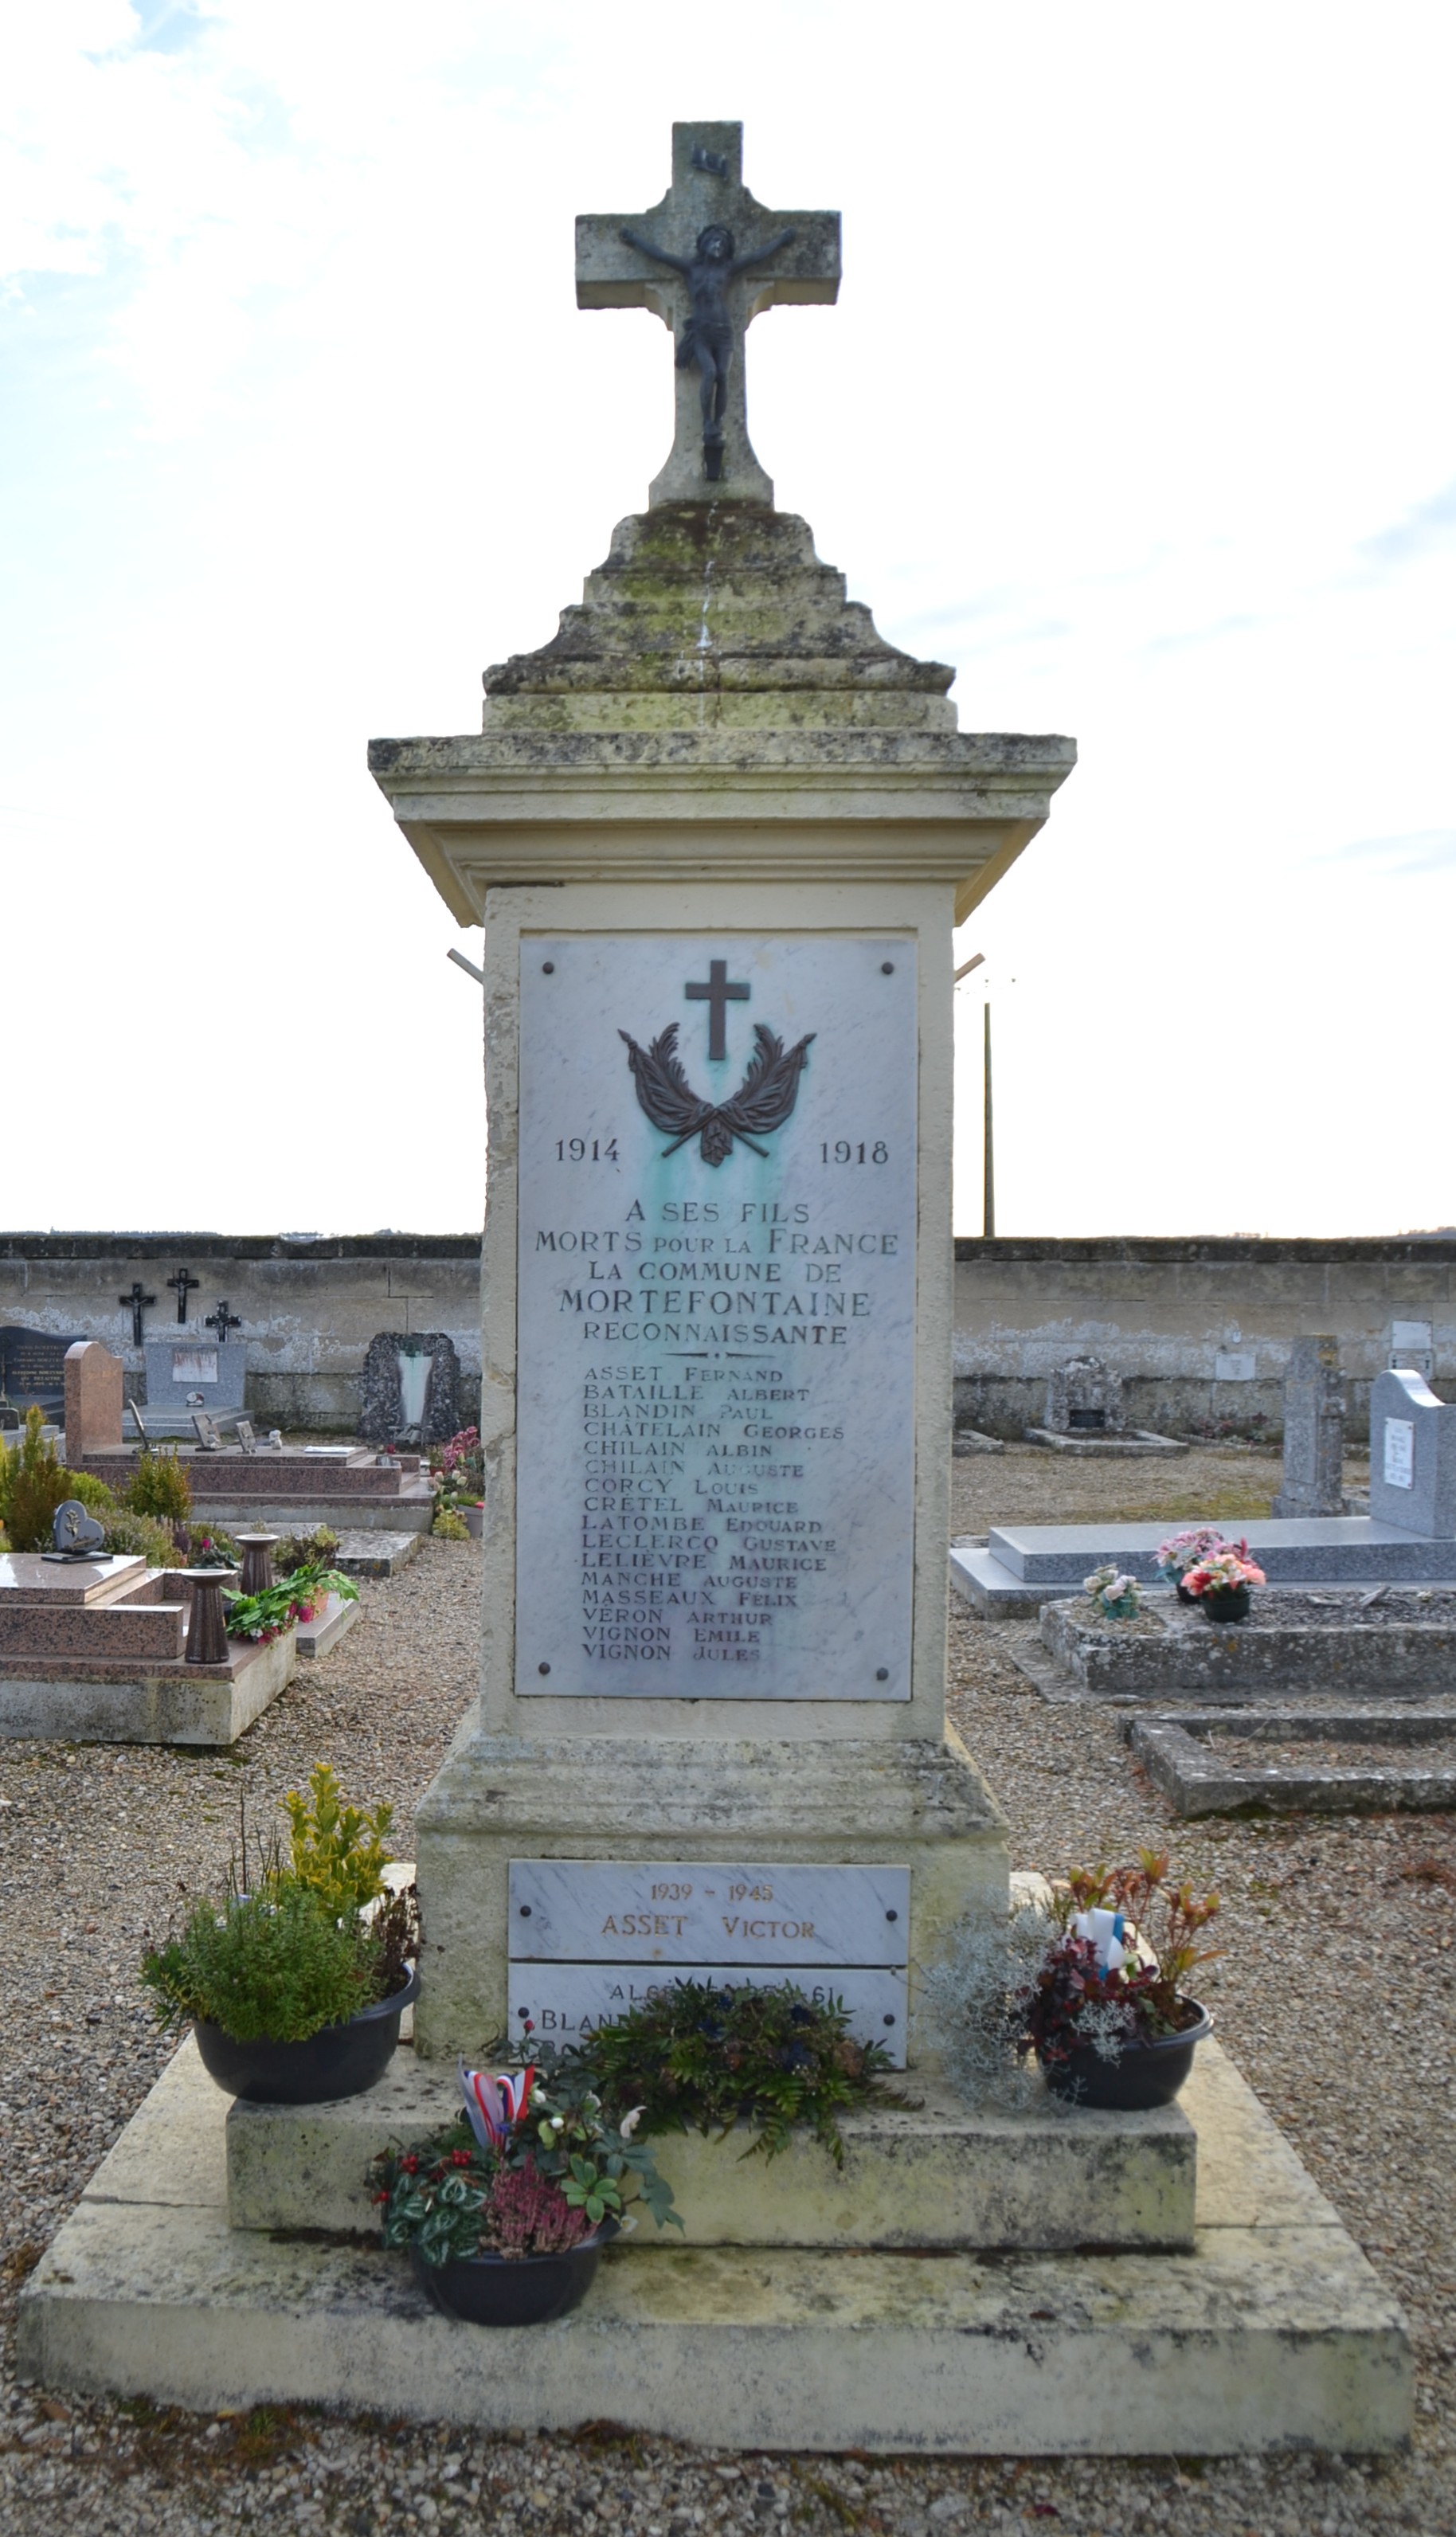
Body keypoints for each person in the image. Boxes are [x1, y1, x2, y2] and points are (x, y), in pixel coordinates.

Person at [619, 221, 795, 466]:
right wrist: (634, 239)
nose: (718, 245)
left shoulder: (728, 269)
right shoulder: (692, 270)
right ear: (703, 245)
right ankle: (707, 423)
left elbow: (757, 257)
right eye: (713, 241)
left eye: (723, 243)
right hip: (701, 331)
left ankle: (718, 423)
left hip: (723, 332)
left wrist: (781, 241)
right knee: (709, 372)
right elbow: (660, 256)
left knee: (722, 375)